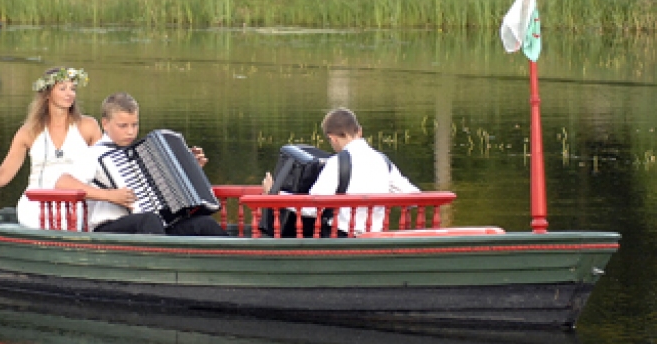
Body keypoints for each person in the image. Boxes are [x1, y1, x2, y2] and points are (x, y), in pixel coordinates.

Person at [0, 66, 125, 229]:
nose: (70, 93)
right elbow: (1, 176)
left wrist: (114, 195)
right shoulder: (28, 132)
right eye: (63, 88)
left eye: (73, 89)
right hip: (35, 205)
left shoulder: (88, 126)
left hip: (76, 206)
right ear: (47, 93)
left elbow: (105, 169)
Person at [56, 92, 226, 236]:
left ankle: (234, 266)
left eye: (134, 125)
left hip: (154, 227)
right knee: (149, 219)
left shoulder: (144, 152)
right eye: (122, 126)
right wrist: (109, 195)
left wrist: (191, 168)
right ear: (105, 124)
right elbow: (63, 184)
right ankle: (165, 269)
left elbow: (164, 193)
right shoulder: (94, 154)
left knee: (204, 224)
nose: (130, 131)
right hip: (109, 230)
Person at [264, 107, 419, 235]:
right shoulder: (383, 161)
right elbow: (414, 196)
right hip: (376, 235)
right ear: (359, 131)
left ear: (333, 138)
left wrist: (276, 193)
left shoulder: (337, 163)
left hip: (341, 236)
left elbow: (312, 207)